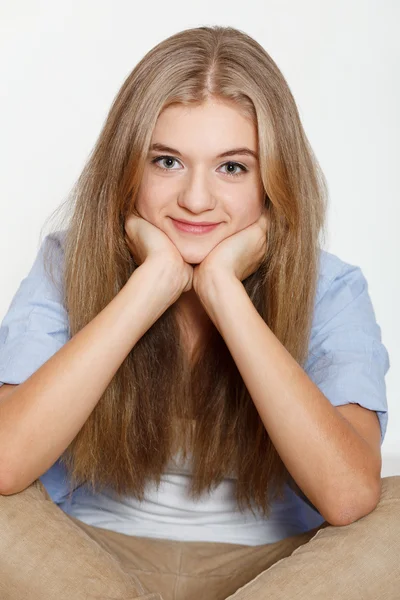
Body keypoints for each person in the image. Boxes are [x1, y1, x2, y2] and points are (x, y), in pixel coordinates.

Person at [0, 24, 398, 600]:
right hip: (85, 563)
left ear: (272, 181)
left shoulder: (332, 289)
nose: (194, 199)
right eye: (166, 161)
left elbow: (348, 495)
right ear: (128, 167)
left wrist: (223, 292)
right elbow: (7, 461)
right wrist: (151, 284)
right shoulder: (68, 263)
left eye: (232, 167)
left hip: (276, 574)